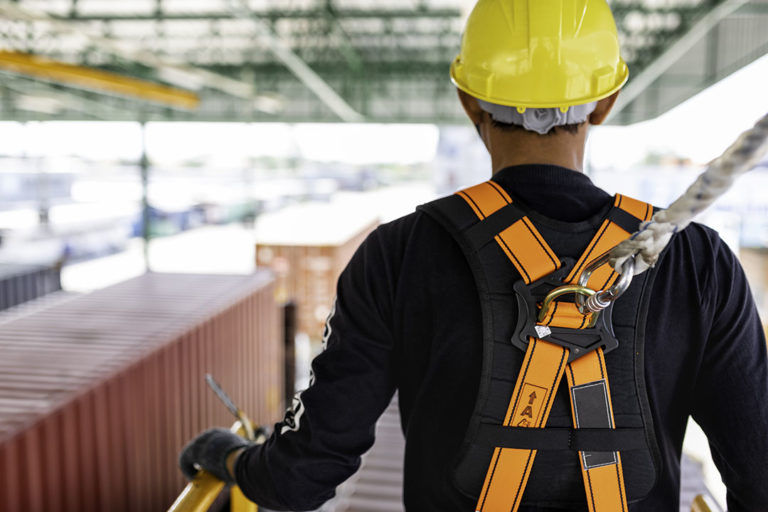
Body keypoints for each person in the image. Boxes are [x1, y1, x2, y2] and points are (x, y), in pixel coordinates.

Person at [179, 0, 768, 510]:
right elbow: (759, 476)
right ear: (606, 101)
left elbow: (300, 478)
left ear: (469, 101)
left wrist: (228, 457)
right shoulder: (697, 262)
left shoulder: (399, 255)